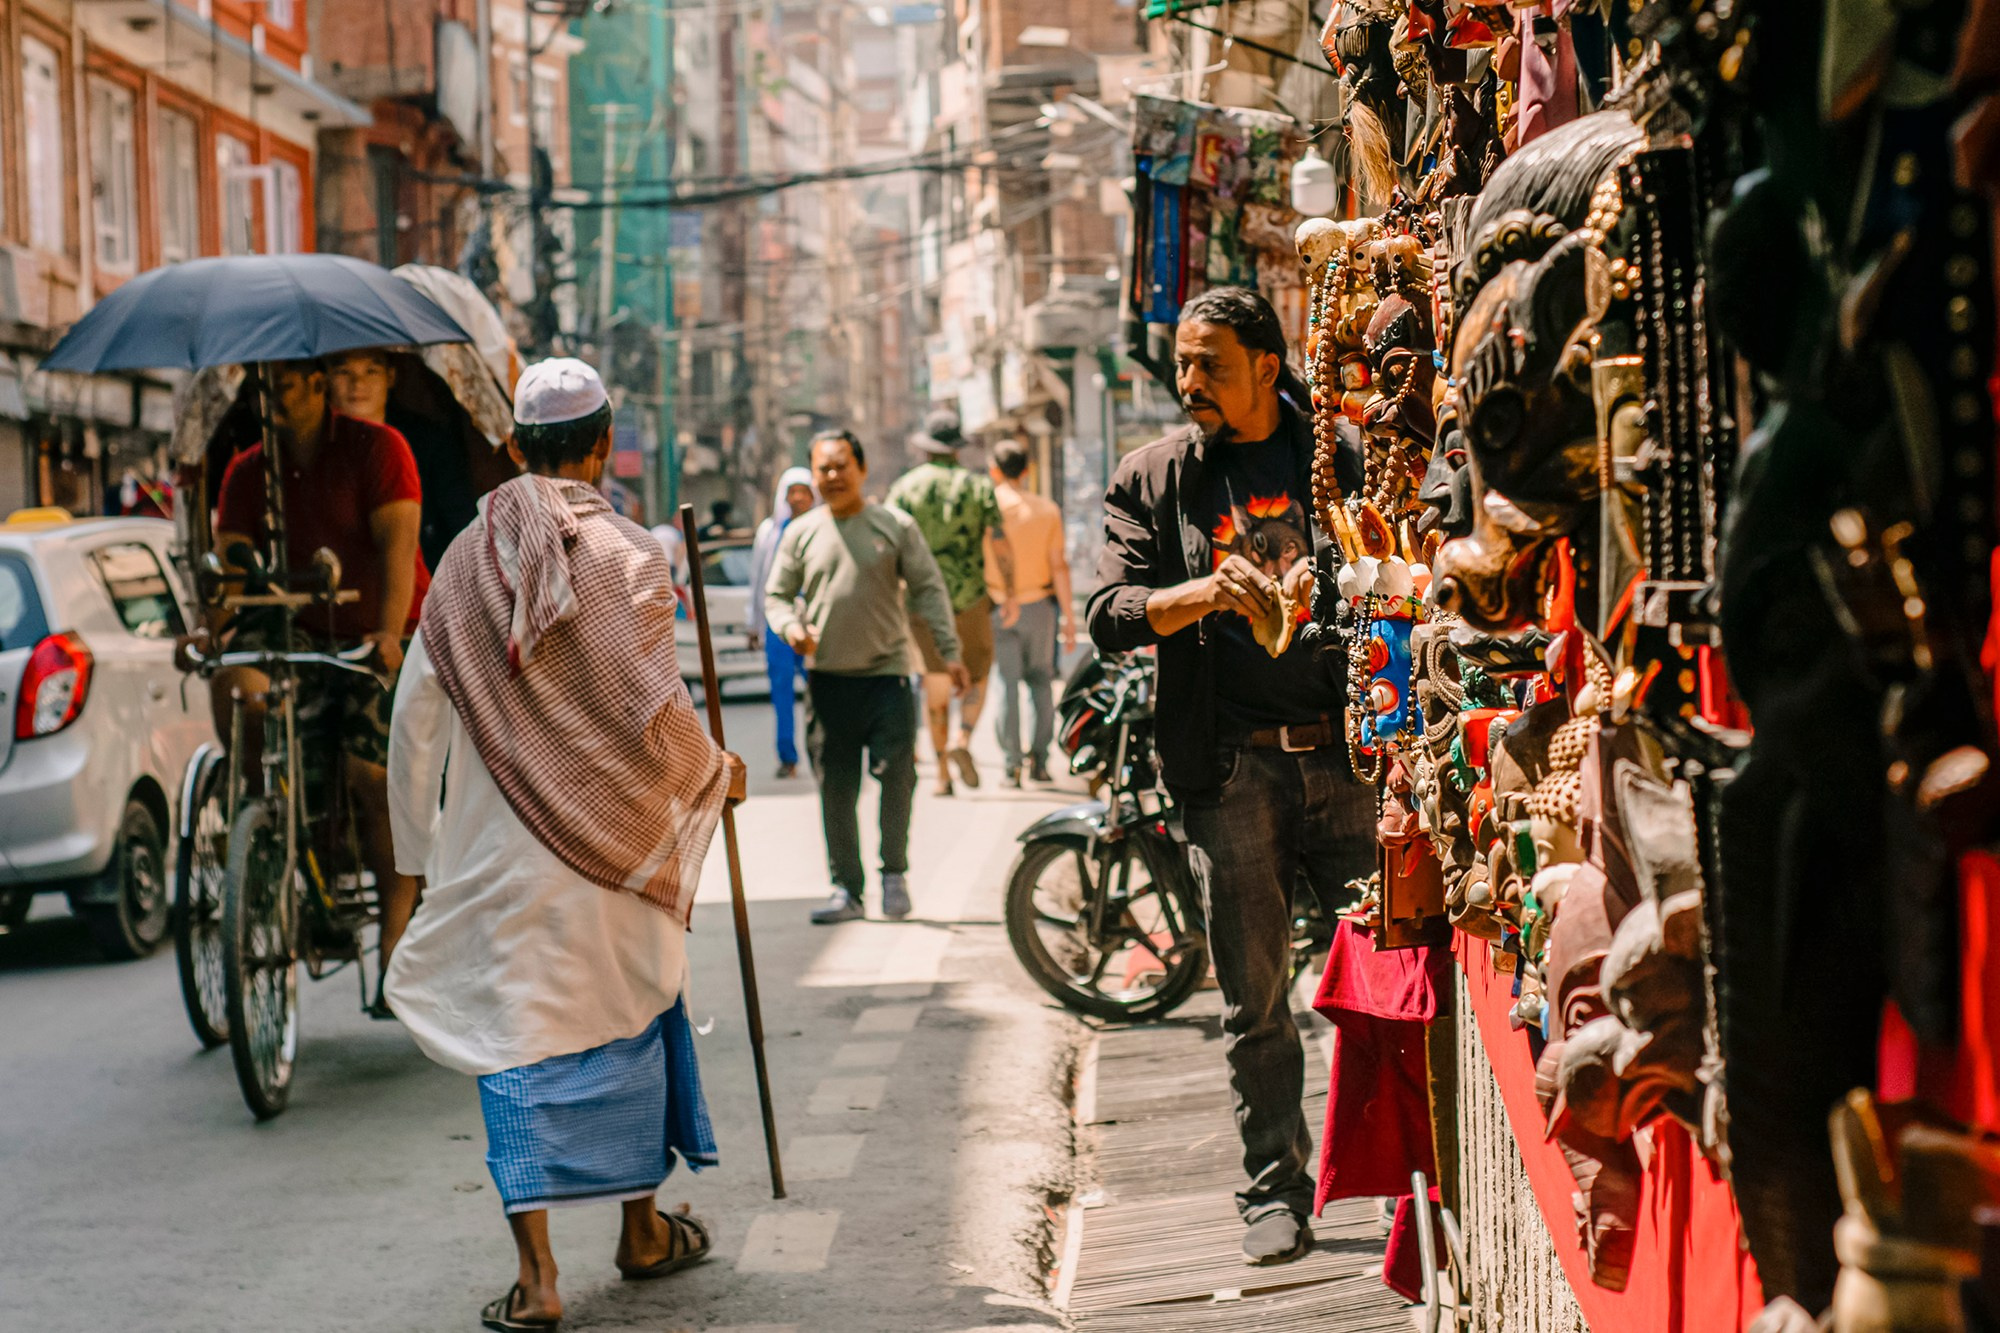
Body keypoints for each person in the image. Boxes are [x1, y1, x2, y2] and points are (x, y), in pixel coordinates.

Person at [384, 358, 747, 1332]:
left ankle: (539, 1278)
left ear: (514, 445)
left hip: (495, 866)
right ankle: (639, 1229)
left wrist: (414, 863)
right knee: (633, 1023)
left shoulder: (462, 565)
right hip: (612, 857)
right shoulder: (631, 553)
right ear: (600, 445)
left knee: (516, 1056)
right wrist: (714, 772)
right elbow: (654, 712)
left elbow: (413, 721)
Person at [1086, 286, 1375, 1267]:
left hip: (1349, 754)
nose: (1187, 381)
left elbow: (1396, 561)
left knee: (1378, 982)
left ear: (1266, 363)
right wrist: (1201, 592)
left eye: (1209, 361)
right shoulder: (1153, 478)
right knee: (1254, 1000)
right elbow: (1109, 610)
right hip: (1229, 772)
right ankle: (1274, 1189)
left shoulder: (1337, 452)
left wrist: (1328, 582)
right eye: (1180, 362)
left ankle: (1391, 1180)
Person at [207, 357, 429, 1011]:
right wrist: (210, 630)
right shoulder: (249, 471)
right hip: (295, 633)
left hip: (378, 631)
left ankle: (395, 932)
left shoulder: (377, 448)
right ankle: (263, 826)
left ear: (315, 385)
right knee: (241, 688)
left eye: (285, 384)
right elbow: (231, 568)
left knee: (368, 773)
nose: (273, 398)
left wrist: (388, 638)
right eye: (264, 387)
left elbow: (397, 549)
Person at [764, 429, 968, 924]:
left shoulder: (894, 525)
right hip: (828, 680)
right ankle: (846, 890)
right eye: (823, 469)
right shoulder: (800, 533)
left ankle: (893, 874)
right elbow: (774, 597)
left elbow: (928, 589)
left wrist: (949, 651)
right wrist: (791, 626)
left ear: (861, 468)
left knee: (898, 777)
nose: (832, 477)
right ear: (813, 476)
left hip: (888, 677)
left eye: (840, 466)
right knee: (837, 788)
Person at [886, 409, 1018, 795]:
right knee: (977, 675)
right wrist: (1009, 592)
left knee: (935, 684)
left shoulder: (905, 489)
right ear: (957, 448)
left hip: (922, 603)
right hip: (971, 598)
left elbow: (891, 548)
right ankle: (963, 739)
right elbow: (999, 541)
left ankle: (942, 773)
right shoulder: (977, 488)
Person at [326, 346, 492, 571]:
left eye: (371, 371)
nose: (358, 384)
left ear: (391, 377)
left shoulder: (429, 443)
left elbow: (462, 526)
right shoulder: (317, 445)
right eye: (344, 372)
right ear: (326, 379)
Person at [985, 440, 1076, 787]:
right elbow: (1060, 566)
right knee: (1040, 683)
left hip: (999, 607)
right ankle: (1039, 761)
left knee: (1005, 685)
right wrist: (1067, 617)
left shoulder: (990, 509)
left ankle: (1011, 765)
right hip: (1040, 607)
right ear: (1027, 471)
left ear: (995, 470)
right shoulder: (1047, 510)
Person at [747, 465, 816, 778]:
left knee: (821, 691)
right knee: (782, 693)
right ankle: (787, 757)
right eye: (793, 492)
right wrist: (754, 625)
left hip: (814, 622)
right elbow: (759, 579)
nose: (798, 497)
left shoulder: (821, 528)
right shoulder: (770, 532)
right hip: (778, 625)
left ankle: (821, 750)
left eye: (804, 491)